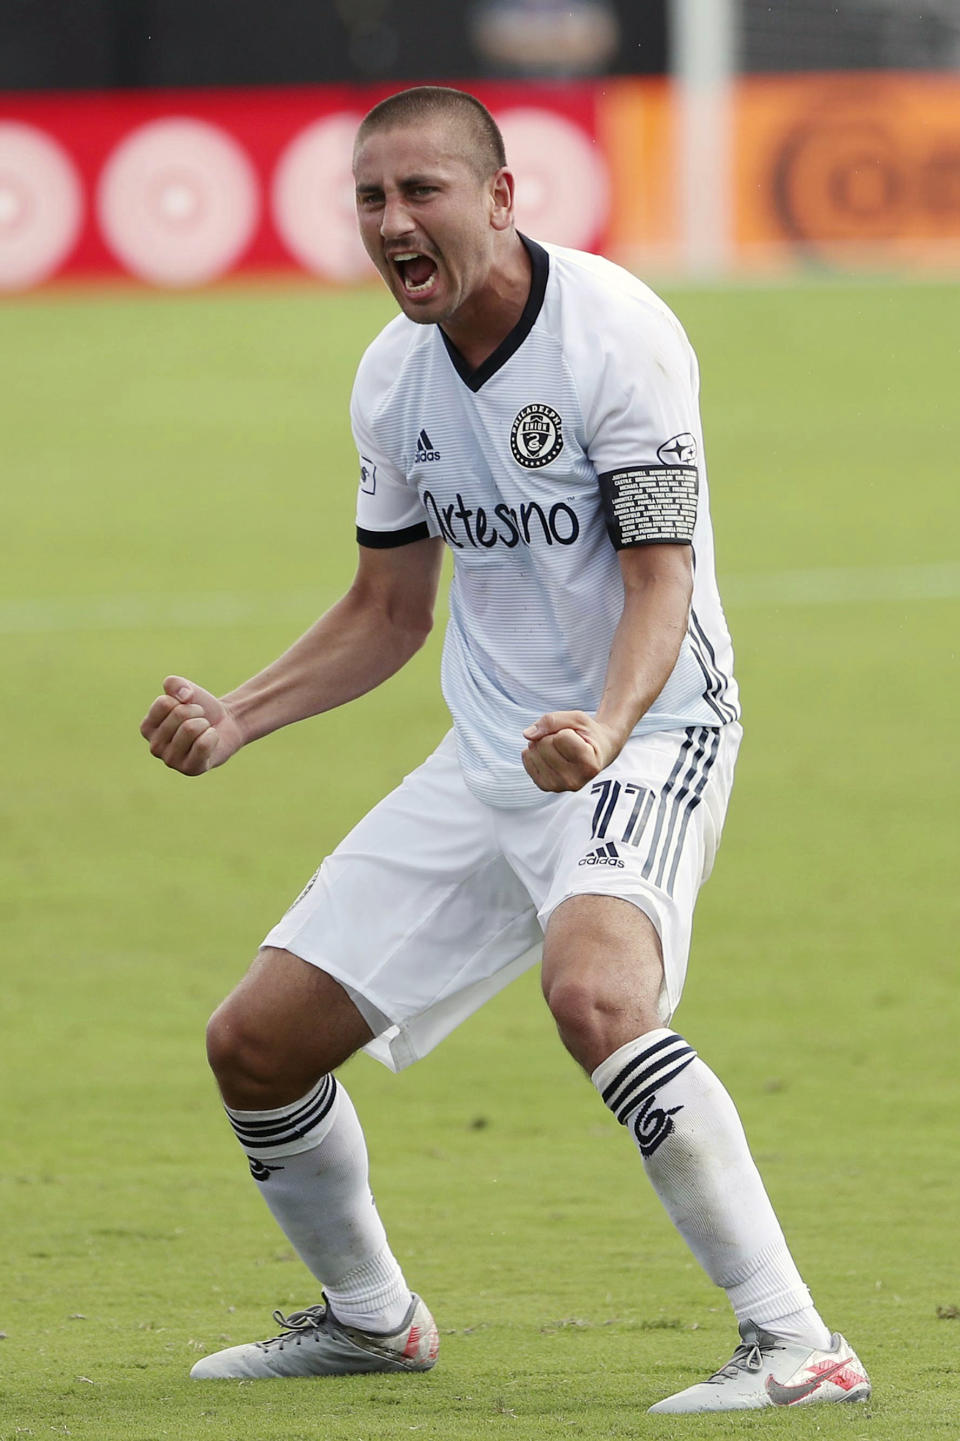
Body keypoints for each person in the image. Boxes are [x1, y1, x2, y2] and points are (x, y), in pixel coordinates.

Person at [140, 86, 869, 1413]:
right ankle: (372, 1319)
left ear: (501, 196)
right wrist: (243, 712)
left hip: (649, 735)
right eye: (371, 197)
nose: (392, 221)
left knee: (597, 995)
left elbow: (661, 580)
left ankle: (796, 1341)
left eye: (421, 190)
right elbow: (387, 611)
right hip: (492, 755)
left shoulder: (617, 336)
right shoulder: (391, 379)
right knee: (254, 1043)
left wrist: (604, 723)